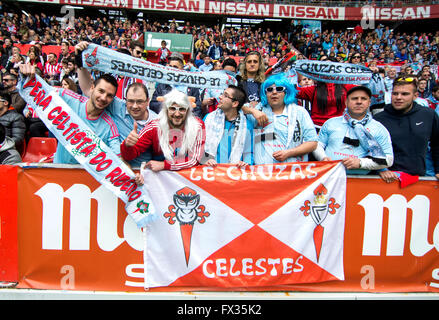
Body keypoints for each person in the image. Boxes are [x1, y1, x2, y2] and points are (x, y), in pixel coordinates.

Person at [19, 63, 121, 165]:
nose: (103, 98)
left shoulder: (110, 127)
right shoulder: (68, 98)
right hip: (59, 172)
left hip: (85, 178)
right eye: (101, 91)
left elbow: (118, 157)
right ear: (92, 87)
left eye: (109, 95)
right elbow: (43, 91)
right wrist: (28, 77)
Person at [313, 86, 393, 174]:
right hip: (330, 178)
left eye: (363, 99)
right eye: (354, 99)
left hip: (361, 182)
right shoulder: (330, 123)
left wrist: (360, 163)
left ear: (369, 102)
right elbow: (317, 145)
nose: (359, 102)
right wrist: (323, 157)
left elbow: (388, 159)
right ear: (346, 102)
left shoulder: (379, 128)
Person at [120, 89, 205, 172]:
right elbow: (129, 156)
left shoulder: (198, 126)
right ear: (166, 110)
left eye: (182, 109)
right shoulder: (154, 127)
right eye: (172, 109)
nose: (177, 114)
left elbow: (194, 160)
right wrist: (127, 145)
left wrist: (164, 165)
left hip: (187, 179)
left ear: (187, 111)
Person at [374, 76, 439, 181]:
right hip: (385, 179)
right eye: (395, 93)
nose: (398, 97)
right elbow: (370, 149)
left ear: (415, 96)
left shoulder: (428, 115)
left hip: (419, 179)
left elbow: (437, 144)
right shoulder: (378, 119)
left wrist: (438, 170)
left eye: (405, 94)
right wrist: (382, 169)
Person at [247, 72, 318, 165]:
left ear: (286, 92)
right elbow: (234, 106)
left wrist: (289, 153)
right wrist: (252, 111)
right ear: (265, 94)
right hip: (263, 175)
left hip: (292, 173)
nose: (274, 92)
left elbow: (312, 143)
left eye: (279, 89)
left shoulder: (300, 112)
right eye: (269, 89)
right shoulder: (257, 111)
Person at [203, 85, 253, 168]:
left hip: (234, 174)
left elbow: (249, 152)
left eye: (225, 95)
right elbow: (199, 145)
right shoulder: (208, 118)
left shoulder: (247, 125)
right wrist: (205, 159)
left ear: (235, 103)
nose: (220, 97)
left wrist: (245, 163)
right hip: (210, 173)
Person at [149, 53, 203, 119]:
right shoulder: (162, 85)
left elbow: (197, 109)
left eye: (175, 67)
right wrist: (170, 105)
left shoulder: (191, 87)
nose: (172, 70)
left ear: (182, 69)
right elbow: (153, 104)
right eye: (170, 67)